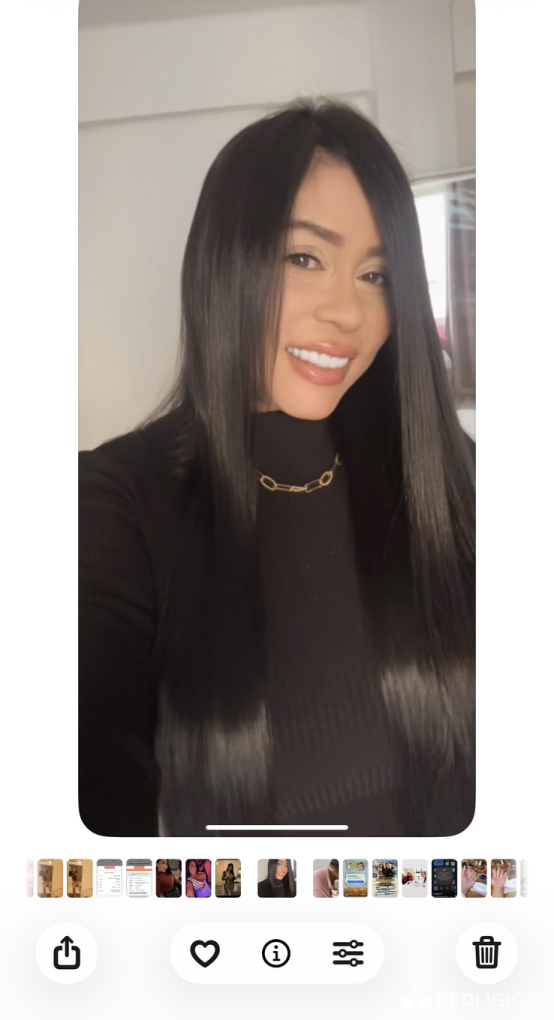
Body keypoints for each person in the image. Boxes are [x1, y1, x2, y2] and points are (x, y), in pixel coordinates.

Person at [79, 99, 475, 838]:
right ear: (223, 260)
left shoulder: (447, 479)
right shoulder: (117, 504)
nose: (349, 312)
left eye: (378, 275)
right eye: (305, 259)